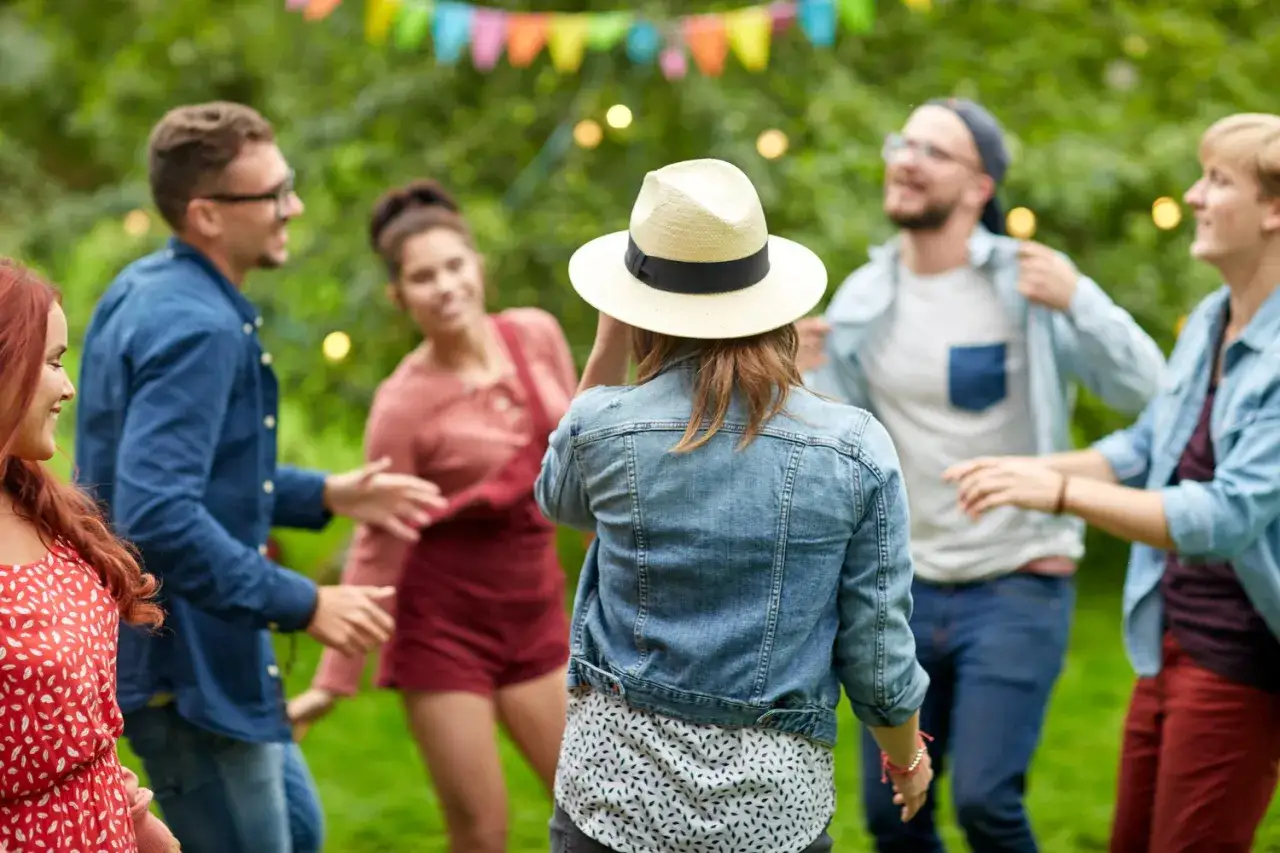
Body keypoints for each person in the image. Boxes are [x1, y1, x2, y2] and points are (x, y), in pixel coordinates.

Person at [73, 102, 447, 853]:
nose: (293, 207)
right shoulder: (199, 326)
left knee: (301, 834)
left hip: (214, 664)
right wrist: (305, 601)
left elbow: (196, 469)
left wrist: (327, 493)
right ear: (207, 214)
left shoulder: (149, 285)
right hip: (190, 674)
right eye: (274, 194)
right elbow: (157, 513)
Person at [798, 98, 1165, 853]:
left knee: (986, 801)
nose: (906, 160)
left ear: (980, 187)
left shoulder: (1026, 282)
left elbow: (1154, 393)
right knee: (891, 817)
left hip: (1018, 578)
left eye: (934, 151)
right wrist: (803, 376)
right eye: (903, 142)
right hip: (902, 588)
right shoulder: (863, 298)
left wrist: (1082, 299)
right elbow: (840, 446)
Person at [536, 158, 933, 853]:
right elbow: (876, 651)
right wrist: (906, 756)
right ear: (770, 299)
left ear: (635, 306)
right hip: (772, 812)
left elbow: (560, 502)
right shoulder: (854, 448)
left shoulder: (600, 428)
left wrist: (608, 342)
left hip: (614, 802)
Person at [945, 112, 1280, 853]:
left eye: (1218, 181)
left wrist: (1061, 496)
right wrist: (1034, 468)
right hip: (1167, 635)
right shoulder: (1212, 321)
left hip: (1242, 658)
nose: (1193, 196)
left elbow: (1226, 517)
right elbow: (1146, 446)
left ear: (1273, 210)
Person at [285, 180, 577, 852]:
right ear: (399, 296)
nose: (445, 287)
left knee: (594, 809)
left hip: (534, 612)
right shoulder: (404, 403)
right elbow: (379, 538)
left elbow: (583, 466)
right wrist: (333, 682)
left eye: (454, 265)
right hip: (443, 628)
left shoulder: (535, 334)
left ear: (478, 264)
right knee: (482, 831)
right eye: (423, 277)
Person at [0, 258, 178, 853]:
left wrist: (135, 818)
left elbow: (77, 722)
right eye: (52, 362)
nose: (68, 387)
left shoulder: (33, 500)